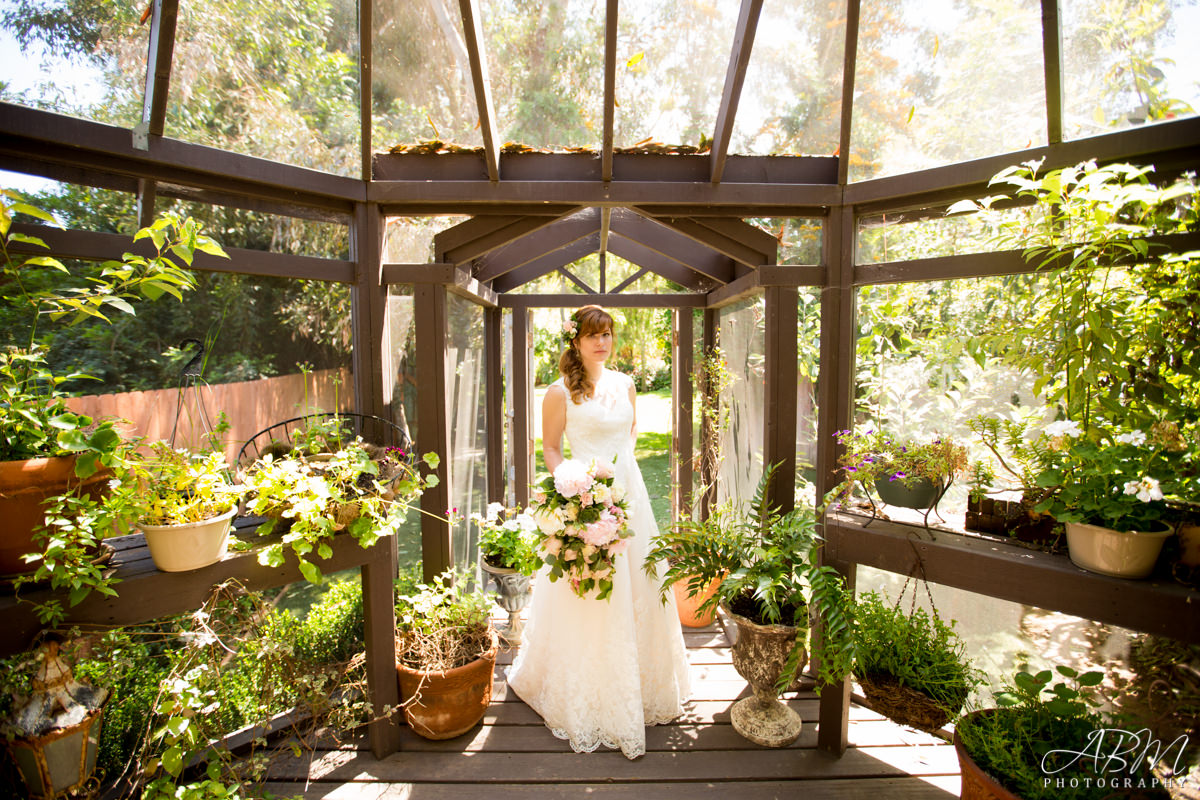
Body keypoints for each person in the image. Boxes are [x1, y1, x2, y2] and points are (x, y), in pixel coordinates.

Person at [506, 305, 691, 760]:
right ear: (576, 340)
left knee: (640, 581)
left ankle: (643, 684)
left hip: (629, 495)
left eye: (607, 333)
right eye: (592, 334)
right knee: (588, 582)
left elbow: (629, 436)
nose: (601, 342)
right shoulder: (557, 392)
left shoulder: (625, 384)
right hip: (584, 498)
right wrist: (574, 484)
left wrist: (619, 476)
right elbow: (550, 447)